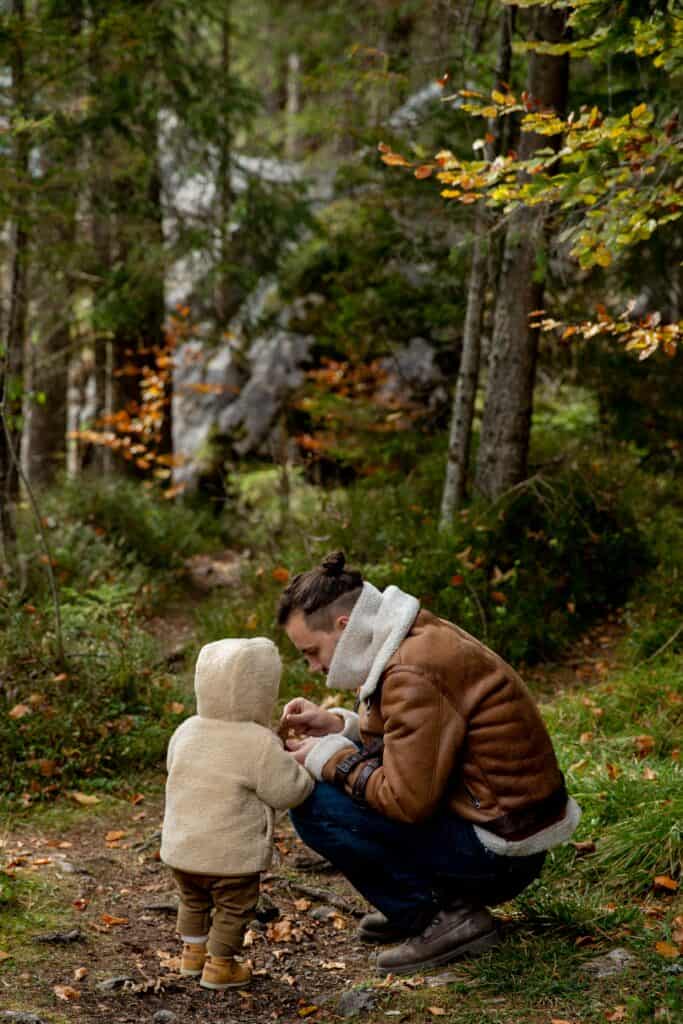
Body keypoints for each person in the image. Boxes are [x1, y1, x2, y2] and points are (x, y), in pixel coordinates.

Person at [278, 551, 581, 975]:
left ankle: (439, 917)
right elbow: (417, 740)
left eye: (311, 651)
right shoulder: (412, 635)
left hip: (498, 852)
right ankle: (422, 903)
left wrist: (330, 759)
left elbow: (407, 800)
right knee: (334, 786)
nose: (312, 666)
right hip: (506, 824)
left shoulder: (411, 669)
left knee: (313, 804)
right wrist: (337, 727)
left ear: (344, 627)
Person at [161, 637, 314, 990]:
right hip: (231, 857)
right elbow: (289, 791)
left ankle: (192, 956)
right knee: (234, 908)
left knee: (193, 899)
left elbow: (175, 769)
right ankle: (220, 965)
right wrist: (304, 769)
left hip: (183, 850)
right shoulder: (258, 743)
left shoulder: (186, 730)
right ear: (262, 691)